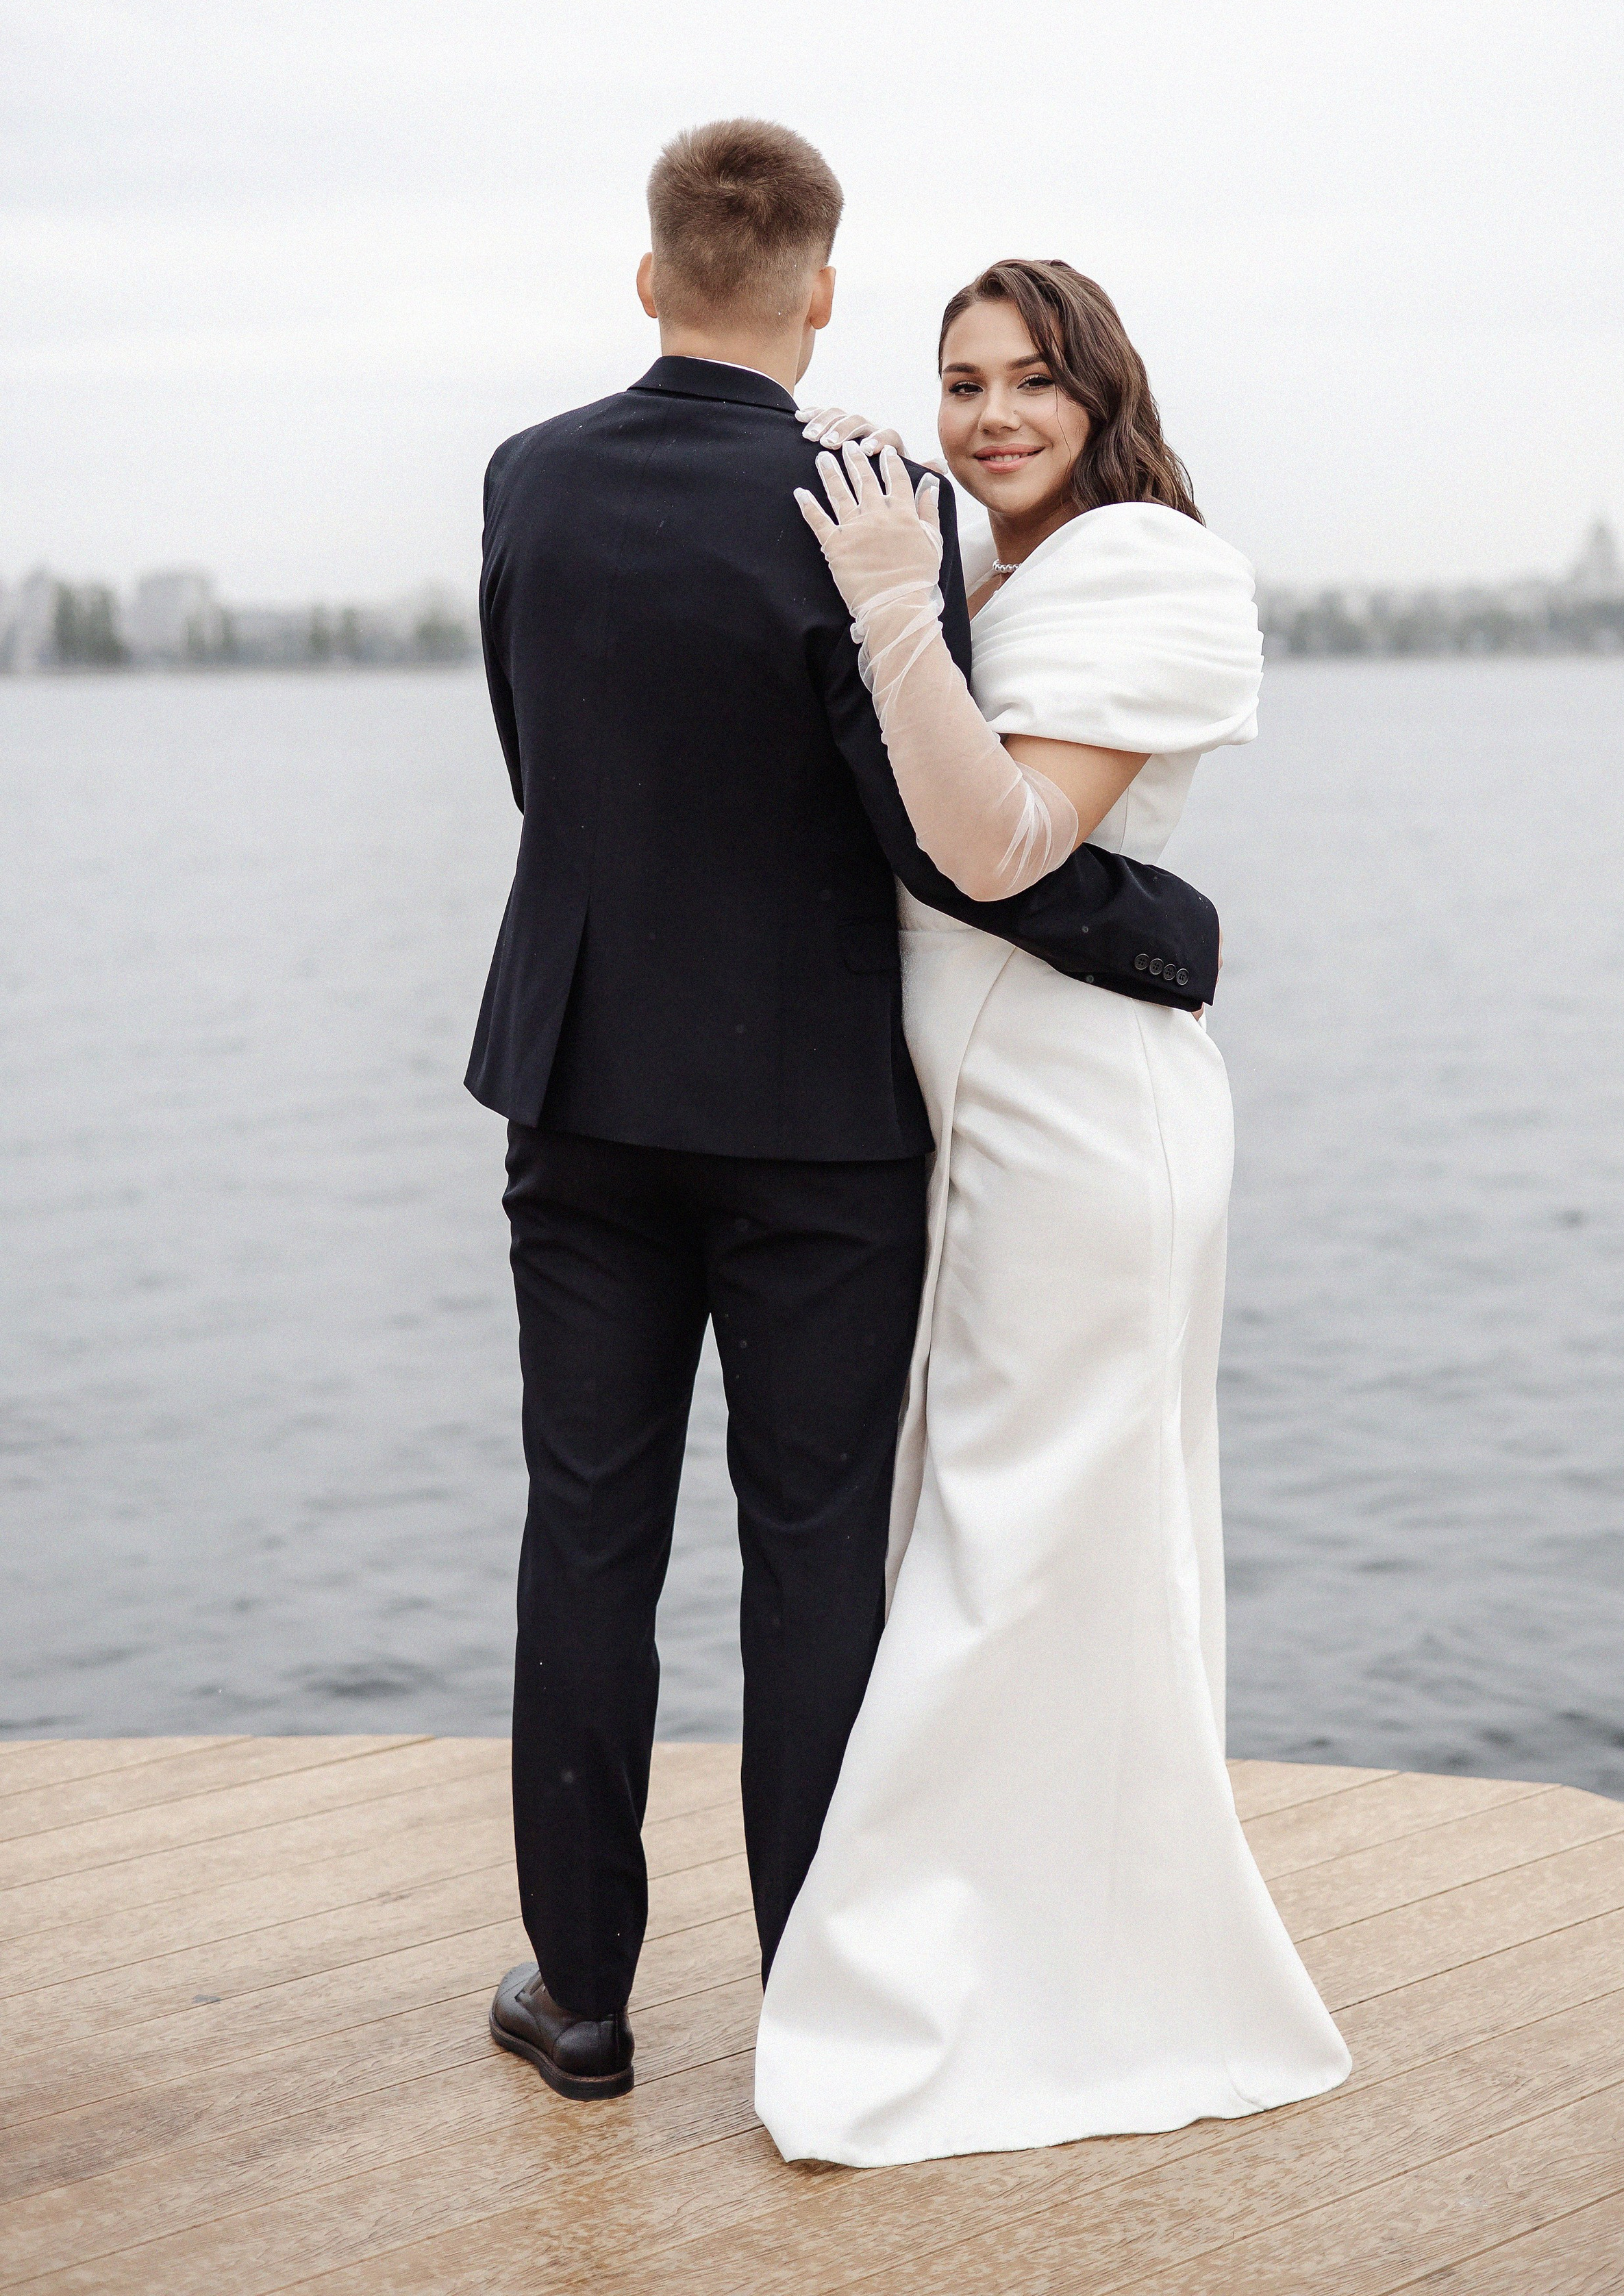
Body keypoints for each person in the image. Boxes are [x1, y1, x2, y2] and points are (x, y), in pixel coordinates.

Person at [468, 130, 1225, 2101]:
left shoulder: (527, 478)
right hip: (817, 1112)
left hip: (582, 1085)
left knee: (587, 1529)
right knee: (813, 1556)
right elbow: (934, 825)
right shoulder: (866, 501)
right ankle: (812, 2001)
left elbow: (540, 763)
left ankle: (584, 1998)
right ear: (821, 292)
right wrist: (1165, 932)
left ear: (650, 278)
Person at [753, 260, 1351, 2164]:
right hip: (981, 1117)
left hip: (1088, 1128)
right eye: (961, 384)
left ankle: (941, 1983)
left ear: (1103, 394)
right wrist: (866, 531)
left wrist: (884, 606)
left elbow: (1006, 843)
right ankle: (1046, 1953)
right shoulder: (981, 570)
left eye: (1032, 380)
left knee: (1020, 1541)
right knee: (1021, 1533)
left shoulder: (1153, 568)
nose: (993, 415)